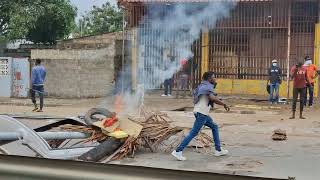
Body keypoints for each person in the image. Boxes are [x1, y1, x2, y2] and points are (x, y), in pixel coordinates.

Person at [171, 71, 230, 161]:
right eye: (213, 77)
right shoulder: (207, 87)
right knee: (193, 133)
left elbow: (210, 97)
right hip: (201, 114)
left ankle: (218, 150)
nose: (215, 79)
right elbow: (212, 98)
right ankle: (178, 151)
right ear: (209, 78)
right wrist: (223, 104)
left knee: (214, 127)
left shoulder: (203, 86)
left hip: (201, 113)